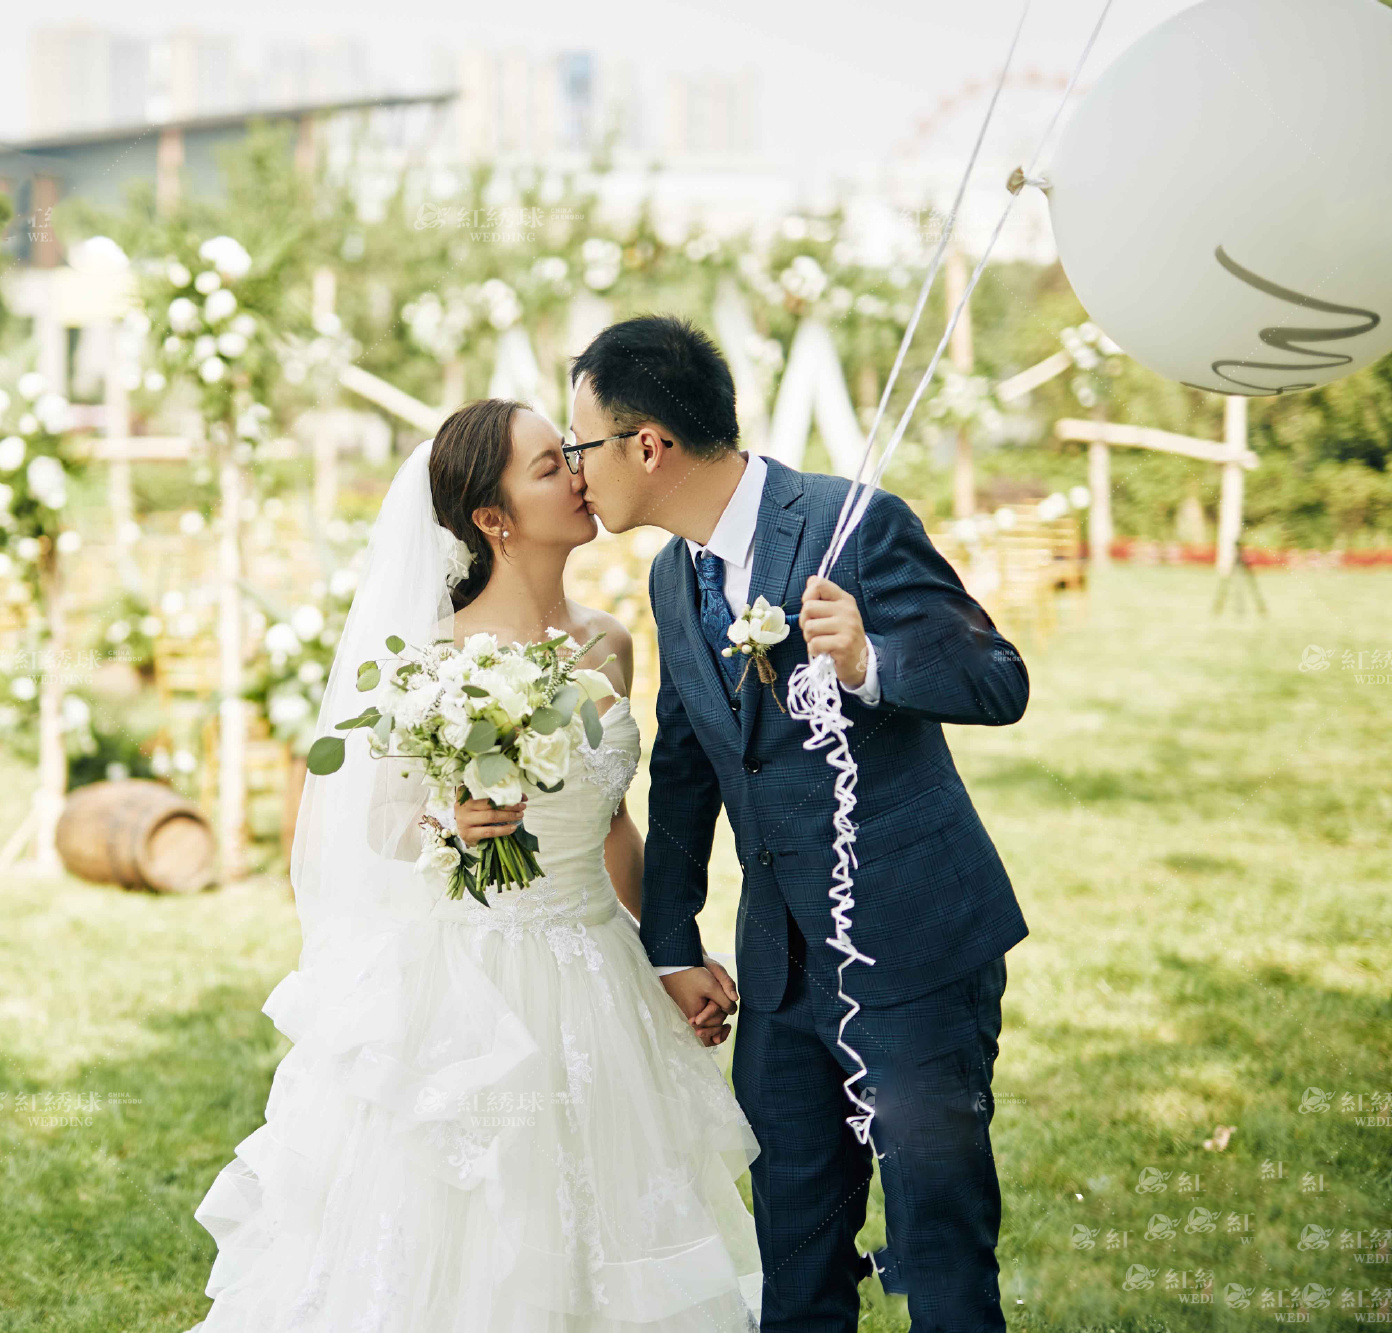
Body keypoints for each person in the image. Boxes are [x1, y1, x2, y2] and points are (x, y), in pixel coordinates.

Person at [182, 396, 764, 1331]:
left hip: (596, 966)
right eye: (549, 466)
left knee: (612, 1214)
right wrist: (447, 819)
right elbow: (375, 825)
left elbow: (612, 823)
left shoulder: (609, 643)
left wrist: (671, 953)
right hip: (471, 978)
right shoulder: (432, 658)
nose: (578, 473)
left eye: (568, 453)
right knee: (479, 1220)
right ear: (493, 518)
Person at [568, 314, 1031, 1332]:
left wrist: (871, 664)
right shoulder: (672, 575)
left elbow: (1000, 679)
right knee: (795, 1260)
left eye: (580, 444)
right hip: (779, 974)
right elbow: (687, 765)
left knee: (939, 1252)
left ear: (647, 445)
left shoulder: (852, 522)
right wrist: (670, 941)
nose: (573, 469)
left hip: (914, 947)